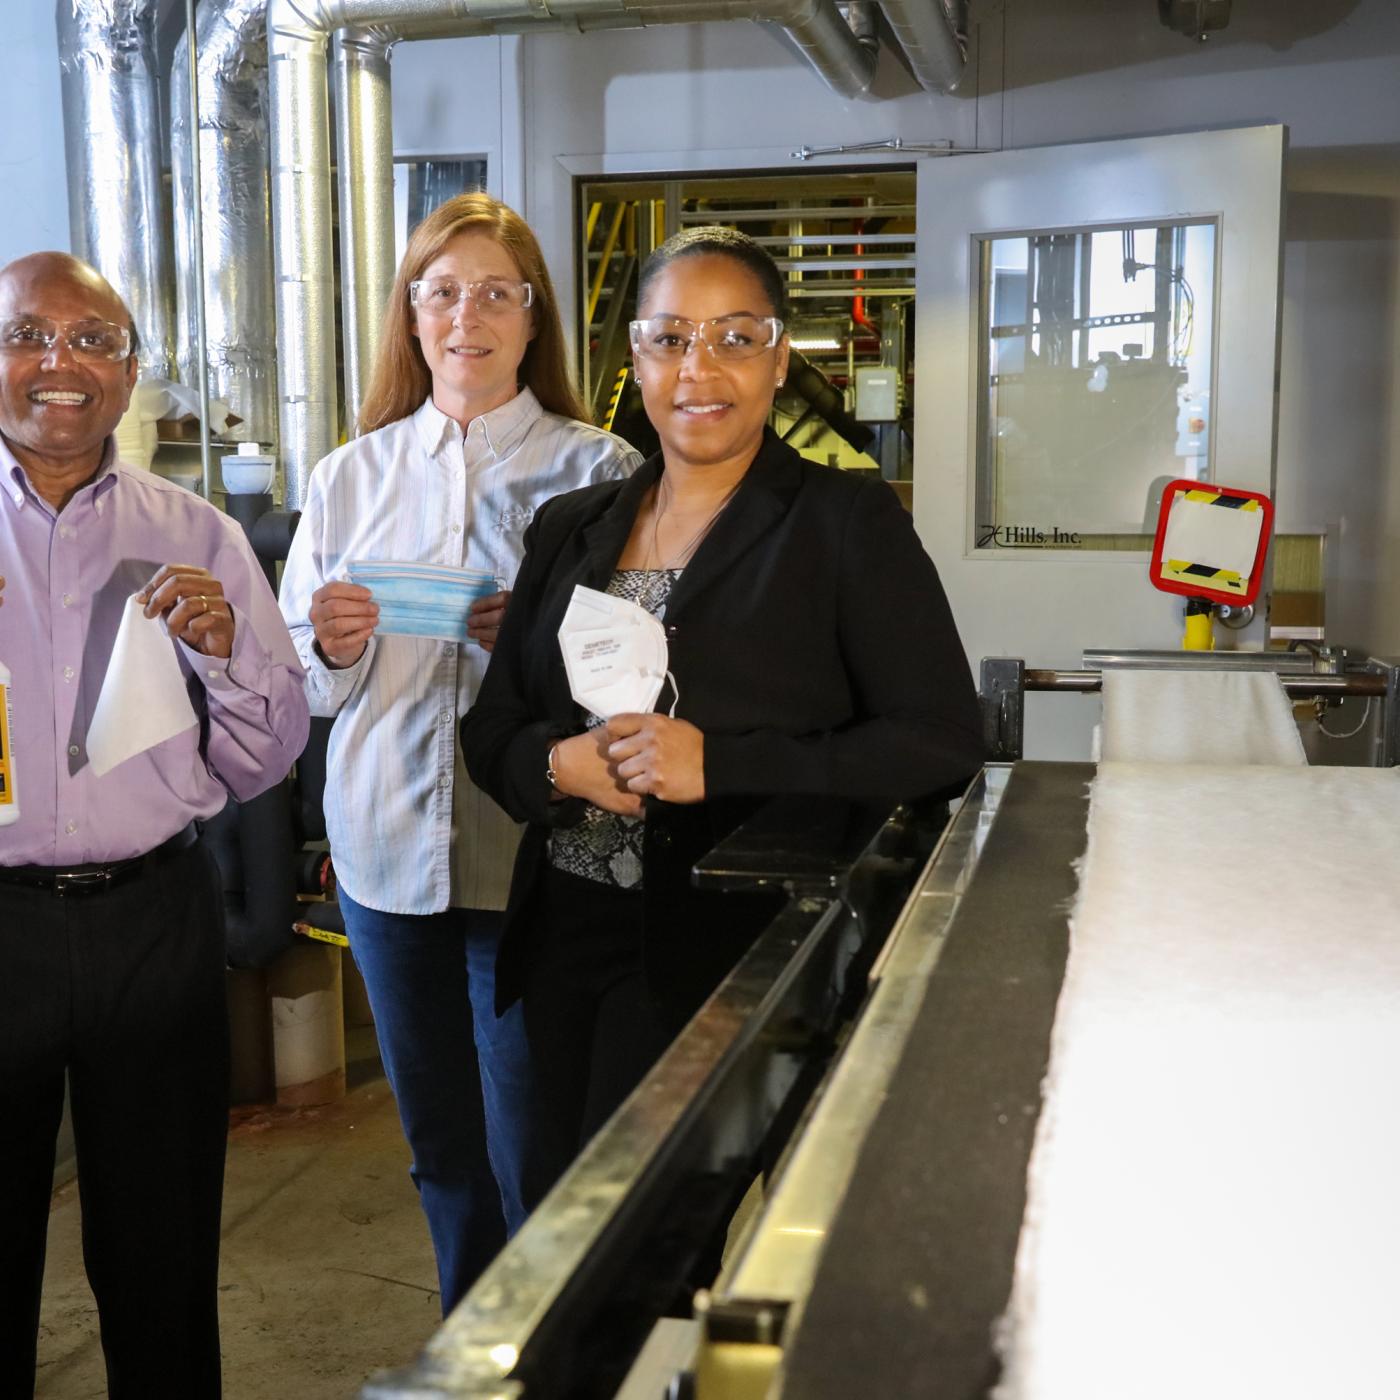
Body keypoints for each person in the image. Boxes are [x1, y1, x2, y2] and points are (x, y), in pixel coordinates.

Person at [461, 226, 986, 1189]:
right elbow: (489, 729)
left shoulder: (844, 524)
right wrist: (552, 767)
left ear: (779, 358)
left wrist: (724, 766)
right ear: (636, 357)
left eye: (736, 338)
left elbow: (943, 739)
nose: (700, 369)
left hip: (735, 948)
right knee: (554, 1217)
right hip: (569, 940)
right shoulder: (571, 528)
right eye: (671, 338)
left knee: (656, 1244)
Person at [278, 193, 641, 1311]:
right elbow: (303, 681)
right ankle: (467, 1353)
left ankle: (549, 1359)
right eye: (441, 291)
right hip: (388, 854)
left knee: (539, 1145)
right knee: (439, 1146)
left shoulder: (603, 471)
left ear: (534, 319)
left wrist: (538, 643)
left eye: (496, 292)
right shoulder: (352, 475)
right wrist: (333, 644)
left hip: (530, 858)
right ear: (411, 314)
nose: (465, 314)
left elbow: (642, 680)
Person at [0, 252, 309, 1398]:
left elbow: (264, 756)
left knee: (161, 1252)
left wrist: (226, 649)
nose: (60, 363)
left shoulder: (199, 534)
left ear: (131, 375)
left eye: (94, 341)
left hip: (152, 917)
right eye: (30, 334)